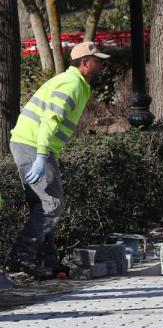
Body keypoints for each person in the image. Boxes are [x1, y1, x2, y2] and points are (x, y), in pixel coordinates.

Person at [7, 42, 108, 279]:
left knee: (43, 204)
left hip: (30, 144)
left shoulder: (77, 83)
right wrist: (42, 155)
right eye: (98, 61)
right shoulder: (72, 84)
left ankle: (47, 261)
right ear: (84, 63)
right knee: (52, 204)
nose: (102, 65)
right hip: (34, 145)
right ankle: (21, 255)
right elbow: (50, 120)